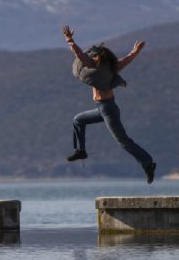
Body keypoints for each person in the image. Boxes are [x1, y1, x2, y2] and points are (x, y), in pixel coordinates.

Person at [62, 25, 156, 184]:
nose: (92, 57)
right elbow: (127, 59)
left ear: (99, 58)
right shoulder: (110, 67)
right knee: (78, 120)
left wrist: (69, 39)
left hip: (108, 109)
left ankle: (148, 163)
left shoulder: (98, 66)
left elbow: (79, 54)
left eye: (95, 56)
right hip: (101, 108)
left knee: (123, 141)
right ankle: (81, 151)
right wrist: (135, 51)